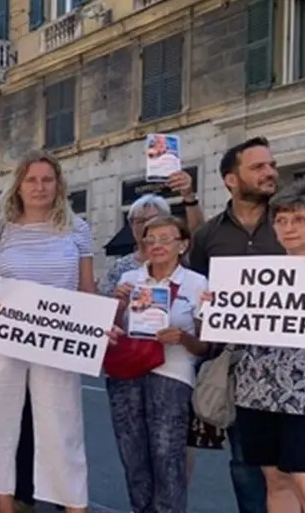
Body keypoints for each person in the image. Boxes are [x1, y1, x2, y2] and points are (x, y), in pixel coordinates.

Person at [189, 137, 305, 513]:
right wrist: (211, 306)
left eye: (299, 220)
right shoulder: (209, 235)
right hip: (249, 381)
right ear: (231, 179)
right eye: (257, 167)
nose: (288, 227)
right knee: (262, 476)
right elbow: (204, 290)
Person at [0, 150, 99, 513]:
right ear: (19, 186)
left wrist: (99, 327)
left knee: (63, 425)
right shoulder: (1, 229)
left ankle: (75, 505)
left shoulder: (78, 229)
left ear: (59, 185)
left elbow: (87, 290)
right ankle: (5, 506)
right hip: (2, 335)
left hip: (58, 338)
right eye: (31, 179)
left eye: (47, 179)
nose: (39, 187)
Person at [216, 176, 305, 512]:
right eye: (281, 219)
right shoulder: (252, 275)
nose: (288, 227)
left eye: (300, 219)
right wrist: (218, 304)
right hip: (255, 391)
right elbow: (229, 329)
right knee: (276, 482)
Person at [109, 216, 208, 512]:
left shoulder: (197, 283)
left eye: (166, 239)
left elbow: (207, 344)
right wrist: (117, 308)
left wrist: (182, 338)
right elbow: (110, 332)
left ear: (183, 244)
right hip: (126, 375)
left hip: (172, 374)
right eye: (150, 240)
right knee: (133, 456)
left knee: (168, 457)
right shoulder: (129, 281)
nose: (157, 245)